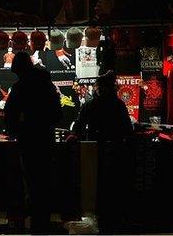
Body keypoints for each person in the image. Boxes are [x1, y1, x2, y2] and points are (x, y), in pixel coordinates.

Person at [4, 52, 62, 233]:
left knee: (32, 182)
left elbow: (10, 115)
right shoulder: (46, 84)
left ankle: (36, 221)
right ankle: (42, 222)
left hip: (28, 140)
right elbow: (57, 114)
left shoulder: (20, 87)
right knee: (44, 180)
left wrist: (17, 130)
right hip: (45, 138)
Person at [72, 70, 133, 233]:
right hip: (116, 149)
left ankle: (101, 216)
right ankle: (114, 218)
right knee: (114, 185)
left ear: (99, 88)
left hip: (94, 150)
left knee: (96, 184)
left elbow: (78, 126)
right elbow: (128, 129)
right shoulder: (119, 105)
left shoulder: (91, 105)